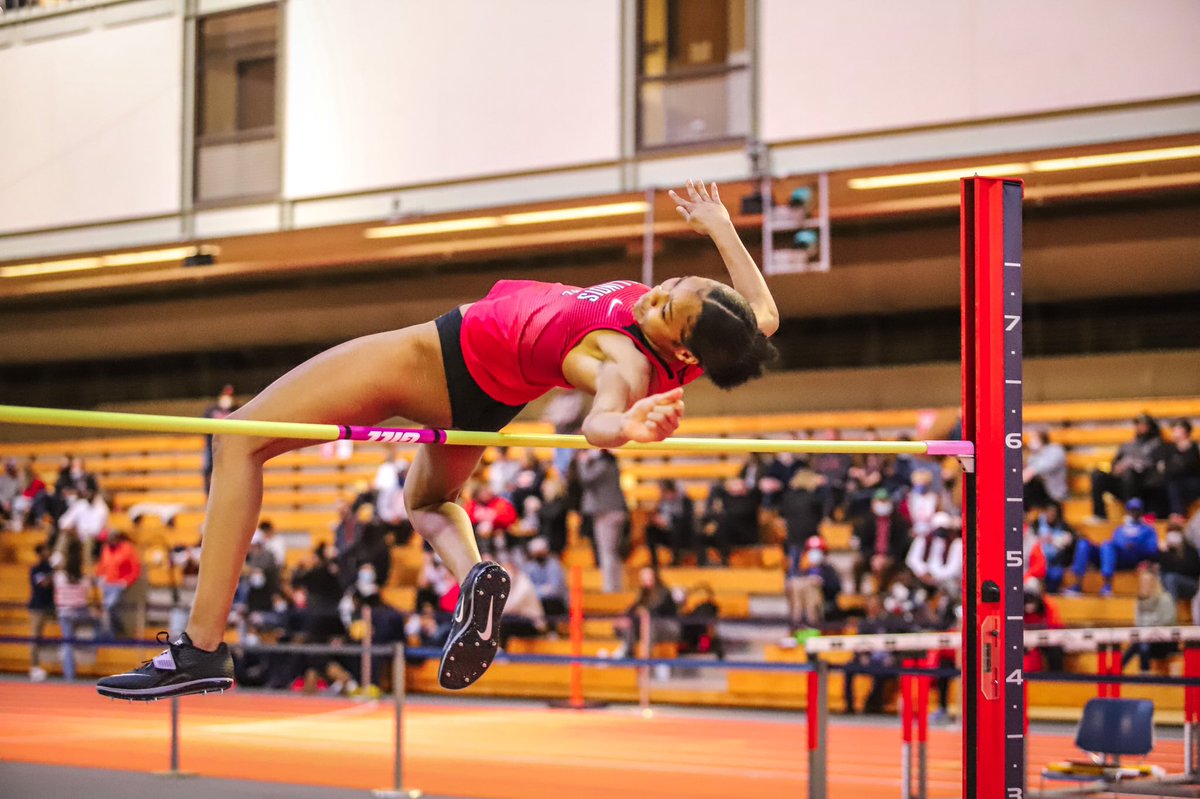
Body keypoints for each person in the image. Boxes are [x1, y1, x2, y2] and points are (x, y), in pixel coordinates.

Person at [96, 180, 780, 699]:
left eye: (665, 310)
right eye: (673, 284)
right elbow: (766, 316)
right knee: (426, 499)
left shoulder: (624, 361)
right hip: (486, 396)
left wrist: (621, 428)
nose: (652, 296)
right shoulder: (715, 337)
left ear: (681, 352)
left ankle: (200, 647)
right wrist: (721, 226)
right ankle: (474, 578)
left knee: (241, 436)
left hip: (439, 358)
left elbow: (601, 411)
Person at [1069, 498, 1159, 596]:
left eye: (1137, 510)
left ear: (1141, 511)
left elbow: (1152, 549)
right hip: (1115, 557)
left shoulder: (1148, 530)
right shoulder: (1120, 528)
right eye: (1131, 510)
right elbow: (1115, 543)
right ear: (1127, 511)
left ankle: (1107, 585)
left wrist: (1137, 547)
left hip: (1132, 558)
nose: (1134, 513)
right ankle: (1077, 584)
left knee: (1107, 545)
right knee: (1084, 544)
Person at [1088, 413, 1168, 522]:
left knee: (1130, 473)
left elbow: (1156, 468)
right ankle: (1099, 514)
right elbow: (1115, 462)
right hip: (1122, 483)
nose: (1140, 427)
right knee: (1097, 475)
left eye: (1143, 425)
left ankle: (1132, 513)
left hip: (1142, 485)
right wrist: (1117, 468)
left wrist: (1132, 465)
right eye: (1138, 425)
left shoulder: (1158, 445)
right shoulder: (1128, 445)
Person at [579, 449, 628, 592]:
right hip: (615, 510)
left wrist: (583, 462)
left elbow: (586, 478)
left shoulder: (603, 464)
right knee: (612, 552)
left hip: (607, 512)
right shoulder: (611, 463)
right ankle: (615, 586)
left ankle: (610, 589)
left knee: (606, 552)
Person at [55, 536, 95, 682]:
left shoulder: (59, 576)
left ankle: (69, 676)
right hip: (79, 612)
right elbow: (84, 598)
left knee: (68, 644)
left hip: (65, 613)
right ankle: (93, 646)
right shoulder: (83, 578)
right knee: (101, 620)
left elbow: (57, 595)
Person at [1122, 567, 1177, 673]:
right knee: (1141, 643)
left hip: (1165, 642)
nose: (1145, 585)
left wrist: (1149, 630)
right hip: (1146, 642)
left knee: (1142, 643)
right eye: (1143, 582)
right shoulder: (1140, 602)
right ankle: (1144, 673)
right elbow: (1138, 624)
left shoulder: (1165, 599)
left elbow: (1167, 621)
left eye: (1148, 582)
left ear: (1154, 583)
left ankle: (1118, 670)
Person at [96, 531, 141, 638]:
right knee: (107, 609)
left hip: (119, 584)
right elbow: (103, 565)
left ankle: (118, 630)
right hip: (107, 584)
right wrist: (100, 576)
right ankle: (113, 635)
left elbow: (135, 568)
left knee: (110, 606)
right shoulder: (106, 548)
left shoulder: (127, 548)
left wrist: (126, 581)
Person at [644, 479, 696, 567]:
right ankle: (654, 562)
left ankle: (676, 560)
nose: (664, 494)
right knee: (650, 530)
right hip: (666, 533)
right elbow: (657, 516)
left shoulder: (685, 501)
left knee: (677, 527)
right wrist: (656, 520)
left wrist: (669, 522)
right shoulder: (663, 502)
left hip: (682, 535)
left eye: (665, 492)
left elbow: (687, 521)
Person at [202, 385, 237, 494]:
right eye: (225, 394)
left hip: (229, 448)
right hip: (212, 447)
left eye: (230, 395)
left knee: (229, 473)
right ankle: (209, 495)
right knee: (208, 471)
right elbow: (203, 428)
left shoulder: (236, 410)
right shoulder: (211, 411)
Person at [1161, 418, 1200, 517]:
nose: (1174, 433)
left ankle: (1178, 514)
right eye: (1173, 430)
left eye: (1177, 430)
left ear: (1185, 432)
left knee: (1174, 484)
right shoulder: (1170, 448)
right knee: (1160, 485)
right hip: (1174, 482)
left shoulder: (1193, 448)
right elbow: (1165, 468)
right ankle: (1156, 515)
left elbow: (1186, 468)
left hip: (1193, 484)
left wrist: (1170, 467)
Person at [27, 544, 55, 681]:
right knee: (35, 637)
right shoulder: (36, 569)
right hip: (37, 607)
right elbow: (44, 583)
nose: (48, 552)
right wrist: (54, 571)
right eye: (45, 550)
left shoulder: (49, 567)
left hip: (50, 606)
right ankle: (34, 667)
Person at [1023, 430, 1068, 510]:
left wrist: (1031, 471)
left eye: (1034, 438)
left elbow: (1048, 466)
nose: (1032, 441)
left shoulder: (1055, 450)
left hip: (1053, 492)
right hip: (1039, 490)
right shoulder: (1034, 454)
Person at [524, 537, 568, 618]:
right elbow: (527, 587)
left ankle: (552, 628)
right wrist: (542, 590)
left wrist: (536, 591)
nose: (539, 555)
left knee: (548, 603)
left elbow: (554, 590)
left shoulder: (554, 565)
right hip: (537, 601)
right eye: (536, 553)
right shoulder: (530, 566)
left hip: (556, 602)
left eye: (540, 552)